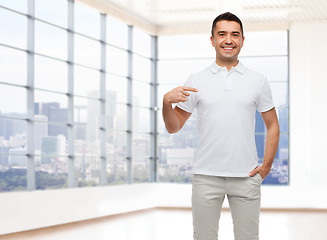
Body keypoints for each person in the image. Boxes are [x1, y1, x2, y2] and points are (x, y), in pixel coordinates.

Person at [162, 12, 280, 240]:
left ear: (242, 40)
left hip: (246, 177)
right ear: (212, 40)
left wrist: (265, 167)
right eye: (222, 34)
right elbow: (173, 126)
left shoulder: (258, 81)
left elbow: (272, 124)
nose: (228, 40)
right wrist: (166, 102)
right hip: (206, 177)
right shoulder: (196, 80)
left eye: (235, 35)